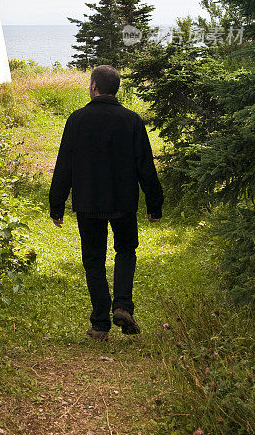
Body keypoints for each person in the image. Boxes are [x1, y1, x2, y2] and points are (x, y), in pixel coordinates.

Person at [49, 64, 163, 341]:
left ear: (93, 86)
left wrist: (57, 204)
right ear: (116, 89)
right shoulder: (131, 120)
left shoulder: (76, 120)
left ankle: (100, 324)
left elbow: (64, 164)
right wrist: (154, 204)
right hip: (123, 201)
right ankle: (122, 305)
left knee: (94, 260)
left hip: (88, 202)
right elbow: (145, 165)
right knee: (125, 250)